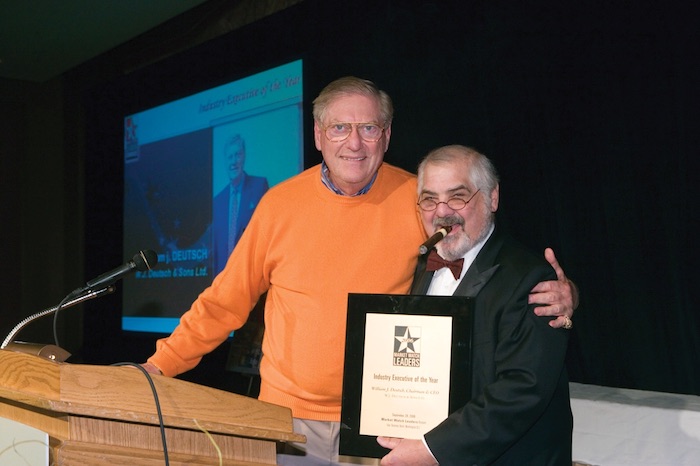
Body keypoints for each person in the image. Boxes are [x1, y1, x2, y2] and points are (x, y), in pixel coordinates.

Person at [141, 77, 577, 465]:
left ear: (386, 136)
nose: (355, 143)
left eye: (369, 128)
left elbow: (480, 267)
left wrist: (563, 292)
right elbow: (225, 301)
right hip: (290, 421)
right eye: (340, 127)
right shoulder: (278, 205)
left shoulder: (419, 199)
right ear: (317, 134)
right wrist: (159, 366)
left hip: (385, 421)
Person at [377, 145, 572, 465]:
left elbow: (523, 390)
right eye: (429, 199)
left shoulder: (530, 276)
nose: (441, 211)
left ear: (492, 198)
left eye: (457, 196)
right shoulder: (425, 265)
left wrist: (432, 448)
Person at [212, 134, 269, 275]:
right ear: (225, 161)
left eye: (237, 155)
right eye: (230, 157)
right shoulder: (218, 201)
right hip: (224, 280)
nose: (234, 161)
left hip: (252, 277)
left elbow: (267, 233)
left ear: (244, 157)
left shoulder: (259, 186)